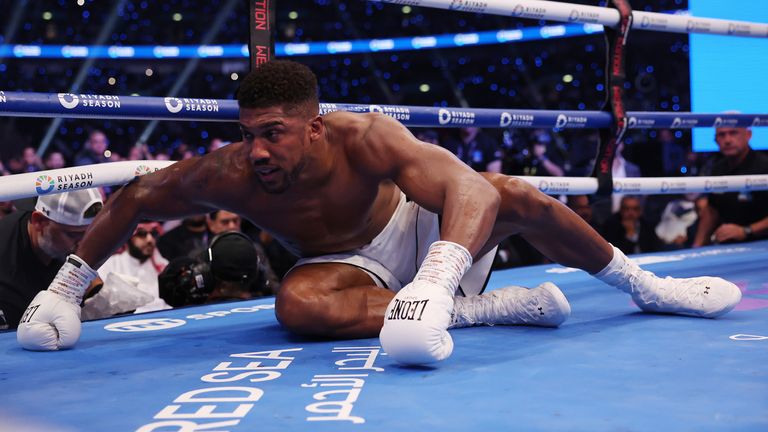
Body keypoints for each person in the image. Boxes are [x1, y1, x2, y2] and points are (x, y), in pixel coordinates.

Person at [17, 60, 741, 365]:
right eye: (249, 134)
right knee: (296, 305)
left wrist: (433, 278)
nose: (259, 151)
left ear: (313, 126)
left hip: (425, 234)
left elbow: (469, 189)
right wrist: (66, 287)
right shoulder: (233, 174)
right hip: (351, 268)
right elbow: (139, 197)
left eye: (274, 133)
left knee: (513, 190)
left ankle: (652, 290)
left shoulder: (367, 137)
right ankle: (487, 310)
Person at [0, 189, 102, 330]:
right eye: (73, 235)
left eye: (89, 233)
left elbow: (93, 289)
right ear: (39, 221)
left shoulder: (59, 244)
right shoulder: (6, 259)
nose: (82, 243)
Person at [693, 126, 768, 246]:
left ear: (748, 135)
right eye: (721, 135)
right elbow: (712, 211)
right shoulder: (718, 169)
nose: (727, 140)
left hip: (762, 245)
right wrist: (695, 249)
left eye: (733, 133)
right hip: (727, 247)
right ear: (715, 140)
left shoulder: (764, 166)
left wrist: (747, 231)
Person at [93, 221, 171, 315]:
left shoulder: (164, 266)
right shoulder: (109, 265)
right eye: (142, 234)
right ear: (128, 237)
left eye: (153, 234)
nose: (150, 239)